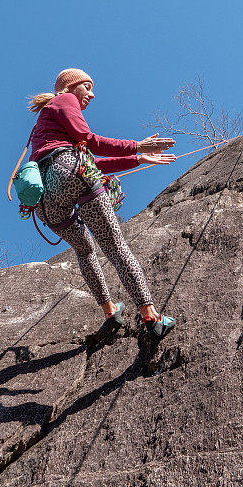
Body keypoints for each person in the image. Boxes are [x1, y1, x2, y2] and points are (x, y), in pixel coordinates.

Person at [28, 68, 178, 336]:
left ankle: (110, 311)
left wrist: (137, 160)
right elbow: (90, 144)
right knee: (115, 247)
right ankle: (151, 318)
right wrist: (137, 147)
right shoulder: (64, 100)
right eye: (87, 86)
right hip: (70, 171)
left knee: (84, 251)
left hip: (45, 199)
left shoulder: (46, 121)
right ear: (70, 87)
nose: (92, 94)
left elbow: (82, 162)